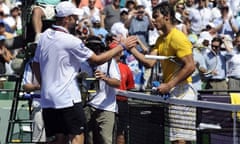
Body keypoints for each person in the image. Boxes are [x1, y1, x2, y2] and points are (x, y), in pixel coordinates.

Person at [32, 1, 137, 144]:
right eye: (74, 18)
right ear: (66, 19)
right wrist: (122, 46)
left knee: (59, 139)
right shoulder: (71, 41)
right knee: (78, 136)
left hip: (48, 99)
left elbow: (35, 64)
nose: (76, 21)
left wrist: (44, 86)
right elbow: (97, 60)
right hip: (67, 100)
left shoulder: (44, 36)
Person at [125, 2, 197, 144]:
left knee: (179, 140)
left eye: (156, 16)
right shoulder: (160, 39)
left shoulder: (178, 38)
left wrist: (169, 85)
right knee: (177, 139)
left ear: (167, 17)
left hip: (182, 92)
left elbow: (190, 67)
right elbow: (149, 62)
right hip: (174, 92)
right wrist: (130, 48)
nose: (153, 20)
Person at [81, 36, 120, 144]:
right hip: (87, 105)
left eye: (96, 49)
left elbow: (117, 83)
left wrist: (105, 78)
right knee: (88, 139)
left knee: (105, 140)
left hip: (106, 107)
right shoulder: (82, 63)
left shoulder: (109, 62)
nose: (93, 51)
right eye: (90, 48)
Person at [108, 37, 135, 144]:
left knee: (120, 131)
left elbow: (129, 86)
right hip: (109, 102)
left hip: (122, 102)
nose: (117, 54)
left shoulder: (126, 68)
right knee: (107, 131)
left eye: (119, 51)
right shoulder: (105, 66)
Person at [22, 46, 46, 143]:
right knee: (37, 136)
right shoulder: (31, 64)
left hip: (55, 104)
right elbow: (25, 86)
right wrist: (38, 87)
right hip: (38, 103)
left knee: (52, 137)